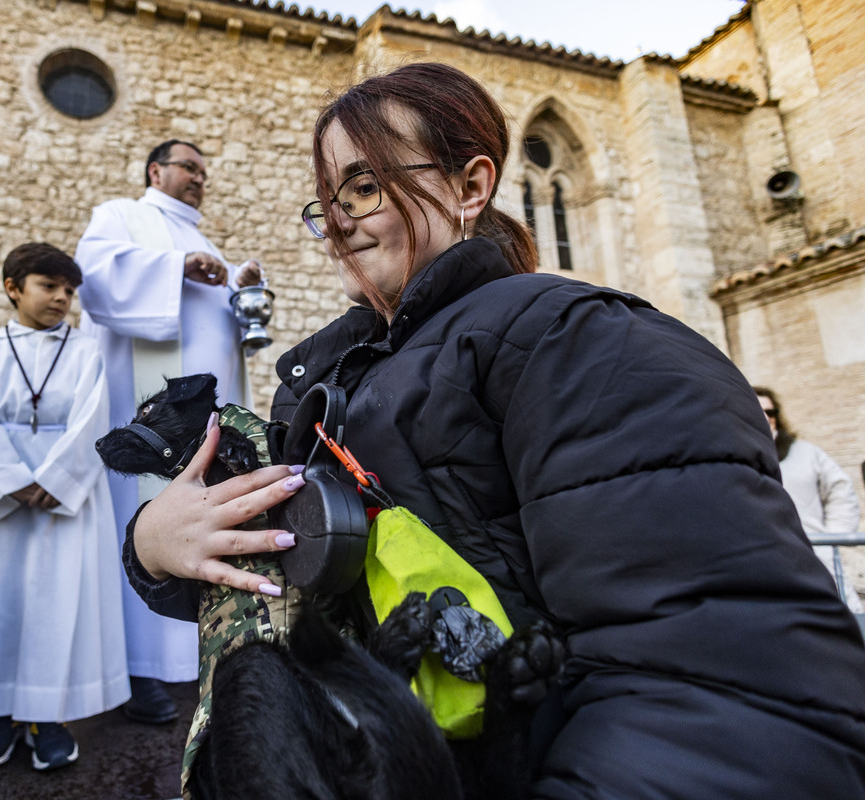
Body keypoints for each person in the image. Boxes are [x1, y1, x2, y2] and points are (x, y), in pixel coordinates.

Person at [124, 63, 865, 798]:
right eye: (328, 200)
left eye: (365, 186)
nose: (338, 222)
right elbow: (276, 576)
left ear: (471, 187)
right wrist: (154, 547)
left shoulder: (579, 341)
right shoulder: (322, 381)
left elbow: (734, 693)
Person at [75, 139, 263, 723]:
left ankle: (195, 654)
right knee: (142, 511)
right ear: (156, 170)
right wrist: (173, 269)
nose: (199, 179)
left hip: (204, 419)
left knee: (207, 513)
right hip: (150, 414)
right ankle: (140, 668)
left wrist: (241, 288)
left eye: (205, 172)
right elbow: (96, 275)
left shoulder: (206, 242)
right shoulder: (122, 216)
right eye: (189, 168)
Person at [0, 243, 129, 772]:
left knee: (57, 604)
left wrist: (56, 480)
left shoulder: (87, 351)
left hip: (66, 501)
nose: (62, 298)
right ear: (13, 288)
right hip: (1, 502)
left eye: (69, 290)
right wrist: (15, 481)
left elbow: (95, 417)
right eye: (49, 286)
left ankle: (49, 714)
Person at [754, 386, 863, 611]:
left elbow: (840, 490)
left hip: (817, 556)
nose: (765, 417)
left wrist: (833, 536)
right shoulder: (736, 455)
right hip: (765, 562)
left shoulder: (805, 453)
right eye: (758, 410)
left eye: (770, 412)